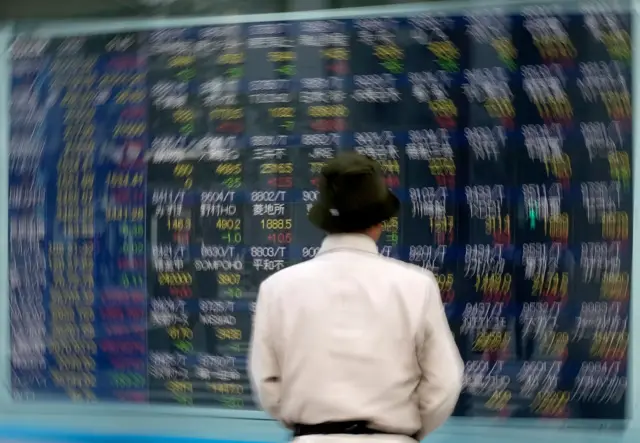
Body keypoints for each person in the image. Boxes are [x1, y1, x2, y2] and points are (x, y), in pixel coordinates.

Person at [249, 152, 464, 442]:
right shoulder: (417, 285)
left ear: (324, 221)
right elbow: (444, 382)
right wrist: (403, 431)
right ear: (380, 221)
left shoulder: (276, 288)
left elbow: (267, 384)